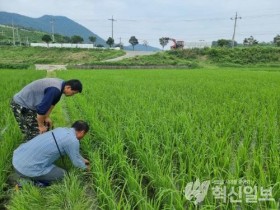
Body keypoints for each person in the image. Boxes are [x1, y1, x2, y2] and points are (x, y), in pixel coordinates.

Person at [12, 120, 90, 185]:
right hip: (26, 169)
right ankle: (27, 182)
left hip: (17, 159)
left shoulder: (61, 130)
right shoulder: (73, 140)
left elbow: (73, 151)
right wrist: (86, 168)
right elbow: (76, 162)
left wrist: (82, 159)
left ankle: (26, 174)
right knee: (64, 175)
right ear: (82, 132)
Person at [10, 78, 82, 140]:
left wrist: (47, 117)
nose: (72, 95)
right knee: (36, 132)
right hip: (21, 104)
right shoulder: (55, 90)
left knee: (45, 126)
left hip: (31, 104)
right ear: (68, 87)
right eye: (73, 93)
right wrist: (41, 126)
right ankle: (30, 149)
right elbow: (41, 111)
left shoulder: (61, 86)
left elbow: (52, 103)